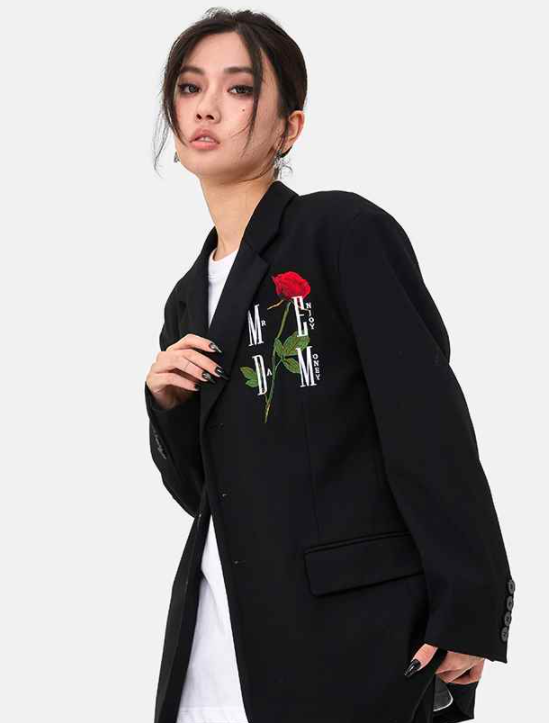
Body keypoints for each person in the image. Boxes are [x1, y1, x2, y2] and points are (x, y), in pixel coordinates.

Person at [144, 9, 515, 723]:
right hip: (215, 638)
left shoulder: (340, 232)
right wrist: (166, 407)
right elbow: (206, 493)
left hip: (348, 634)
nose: (207, 107)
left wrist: (468, 602)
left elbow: (425, 420)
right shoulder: (186, 300)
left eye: (240, 88)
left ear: (289, 128)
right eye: (190, 87)